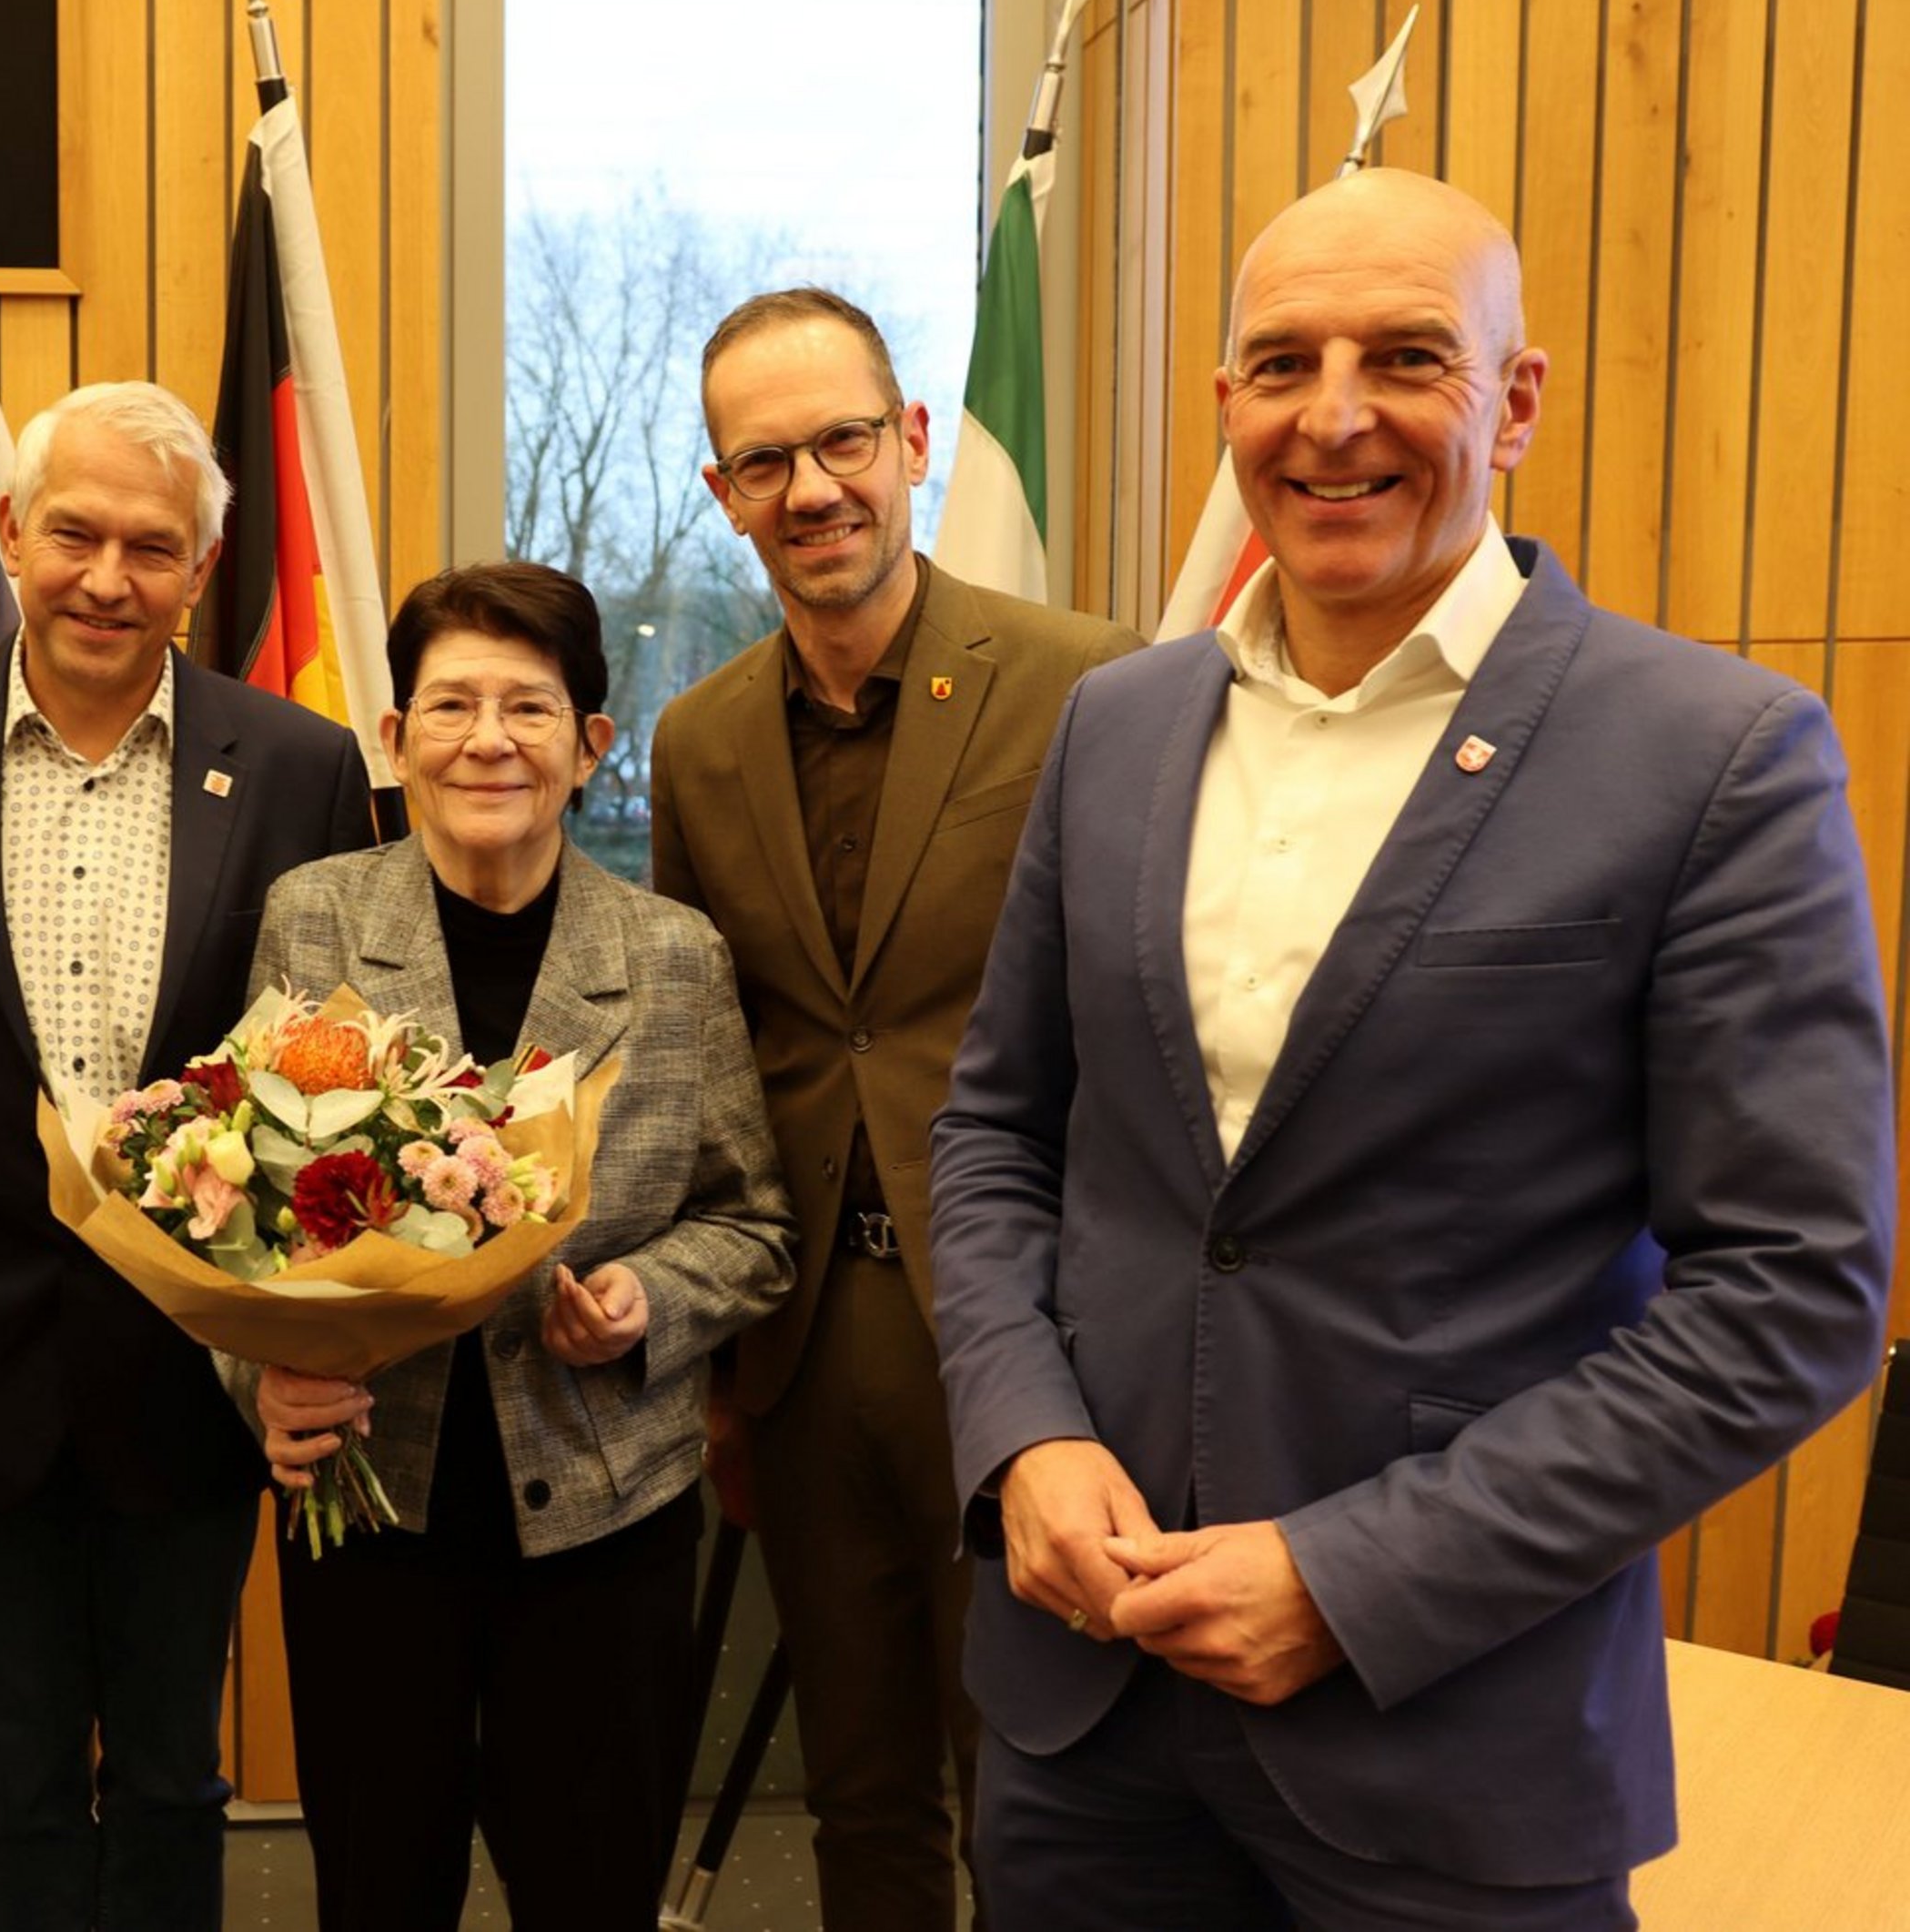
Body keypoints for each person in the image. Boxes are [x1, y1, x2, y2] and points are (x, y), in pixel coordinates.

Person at [931, 167, 1895, 1928]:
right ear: (1225, 404)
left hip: (1450, 1739)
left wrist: (1353, 1574)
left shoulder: (1716, 755)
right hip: (1081, 1714)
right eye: (1281, 362)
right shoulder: (1115, 728)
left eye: (1406, 357)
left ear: (1514, 401)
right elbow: (999, 1129)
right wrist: (1021, 1440)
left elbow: (1796, 1289)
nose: (1334, 415)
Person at [0, 379, 374, 1930]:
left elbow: (338, 1070)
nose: (110, 577)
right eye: (79, 534)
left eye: (154, 548)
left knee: (177, 1777)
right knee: (19, 1782)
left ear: (201, 572)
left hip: (199, 1367)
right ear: (11, 533)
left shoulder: (303, 766)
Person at [646, 286, 1138, 1927]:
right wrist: (716, 1370)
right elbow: (707, 1056)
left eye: (843, 440)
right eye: (763, 459)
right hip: (801, 1340)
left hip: (1029, 1325)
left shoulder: (1093, 686)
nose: (812, 488)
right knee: (858, 1787)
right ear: (722, 492)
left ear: (912, 440)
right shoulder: (699, 740)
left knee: (1035, 1780)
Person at [249, 560, 795, 1932]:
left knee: (591, 1890)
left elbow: (752, 1224)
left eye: (529, 708)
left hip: (604, 1509)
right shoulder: (314, 919)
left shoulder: (674, 957)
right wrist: (263, 1381)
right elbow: (229, 1205)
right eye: (451, 705)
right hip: (375, 1499)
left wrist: (647, 1298)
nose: (489, 739)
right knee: (379, 1887)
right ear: (395, 738)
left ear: (589, 743)